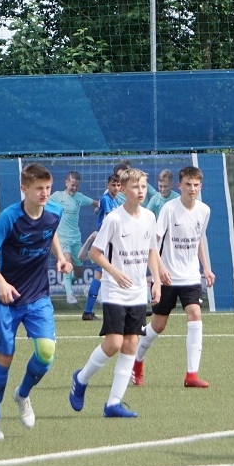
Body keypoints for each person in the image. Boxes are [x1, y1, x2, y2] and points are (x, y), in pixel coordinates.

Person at [0, 163, 70, 440]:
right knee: (5, 358)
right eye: (38, 188)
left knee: (46, 353)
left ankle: (22, 394)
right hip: (7, 300)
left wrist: (61, 257)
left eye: (48, 188)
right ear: (24, 189)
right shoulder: (9, 217)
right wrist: (0, 283)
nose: (44, 193)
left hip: (38, 296)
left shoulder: (54, 211)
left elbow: (51, 232)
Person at [69, 168, 163, 418]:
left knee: (131, 343)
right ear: (122, 189)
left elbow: (152, 251)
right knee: (114, 343)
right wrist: (115, 272)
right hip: (114, 290)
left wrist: (155, 282)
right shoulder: (113, 219)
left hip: (137, 291)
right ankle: (81, 378)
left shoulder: (149, 217)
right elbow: (95, 253)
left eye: (143, 186)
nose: (140, 191)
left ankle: (113, 404)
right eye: (135, 187)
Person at [133, 166, 215, 388]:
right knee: (158, 325)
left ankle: (191, 375)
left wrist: (206, 268)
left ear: (200, 186)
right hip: (168, 277)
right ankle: (137, 361)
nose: (192, 189)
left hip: (190, 277)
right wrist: (159, 270)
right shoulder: (169, 209)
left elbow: (199, 239)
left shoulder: (204, 210)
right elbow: (154, 242)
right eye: (188, 184)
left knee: (195, 313)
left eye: (196, 185)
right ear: (180, 185)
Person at [50, 171, 98, 305]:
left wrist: (101, 207)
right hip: (62, 238)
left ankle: (67, 283)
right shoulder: (57, 196)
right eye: (72, 185)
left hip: (75, 238)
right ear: (66, 183)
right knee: (68, 262)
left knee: (78, 272)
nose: (74, 188)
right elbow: (42, 203)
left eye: (77, 185)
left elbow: (96, 203)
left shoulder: (80, 197)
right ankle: (70, 295)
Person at [81, 173, 123, 321]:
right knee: (100, 274)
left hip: (110, 240)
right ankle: (88, 311)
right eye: (113, 185)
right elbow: (109, 217)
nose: (116, 188)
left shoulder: (115, 199)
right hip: (104, 240)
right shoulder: (106, 199)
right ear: (107, 185)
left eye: (118, 185)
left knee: (106, 273)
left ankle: (123, 307)